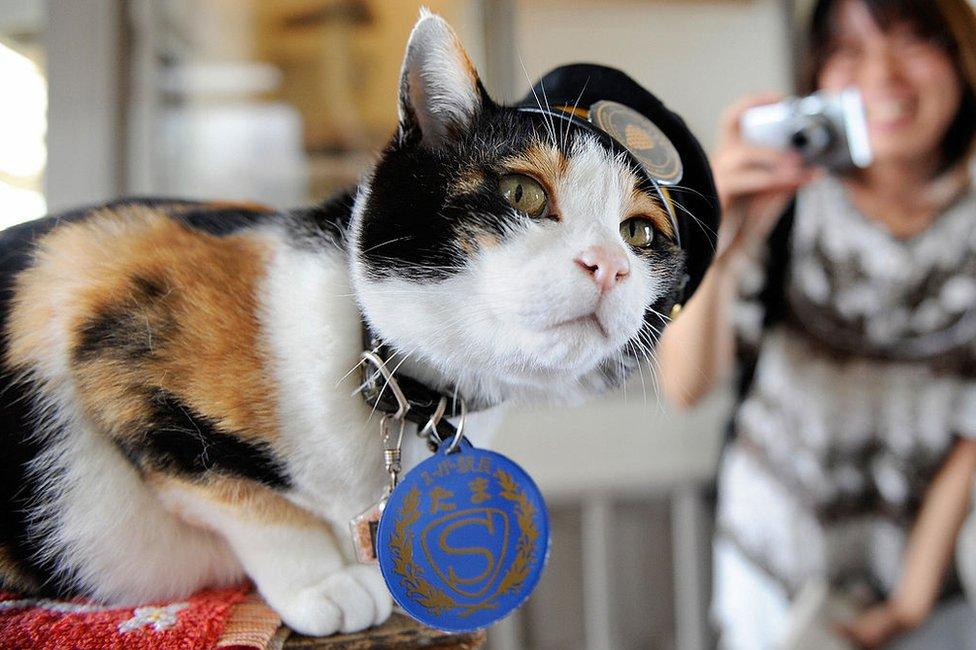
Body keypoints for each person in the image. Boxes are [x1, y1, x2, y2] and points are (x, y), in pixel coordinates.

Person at [657, 0, 976, 647]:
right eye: (848, 49)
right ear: (817, 74)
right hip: (774, 573)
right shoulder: (788, 203)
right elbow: (685, 389)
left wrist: (911, 601)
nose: (882, 74)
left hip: (930, 580)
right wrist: (719, 237)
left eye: (913, 39)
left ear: (961, 56)